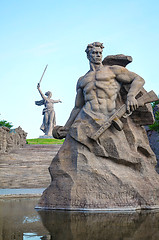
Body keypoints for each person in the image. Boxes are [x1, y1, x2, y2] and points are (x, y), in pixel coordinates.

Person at [54, 42, 145, 142]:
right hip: (86, 118)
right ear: (88, 56)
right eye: (94, 53)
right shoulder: (82, 80)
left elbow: (138, 79)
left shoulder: (112, 70)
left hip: (108, 118)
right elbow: (77, 107)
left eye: (100, 53)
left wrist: (131, 96)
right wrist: (67, 127)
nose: (98, 55)